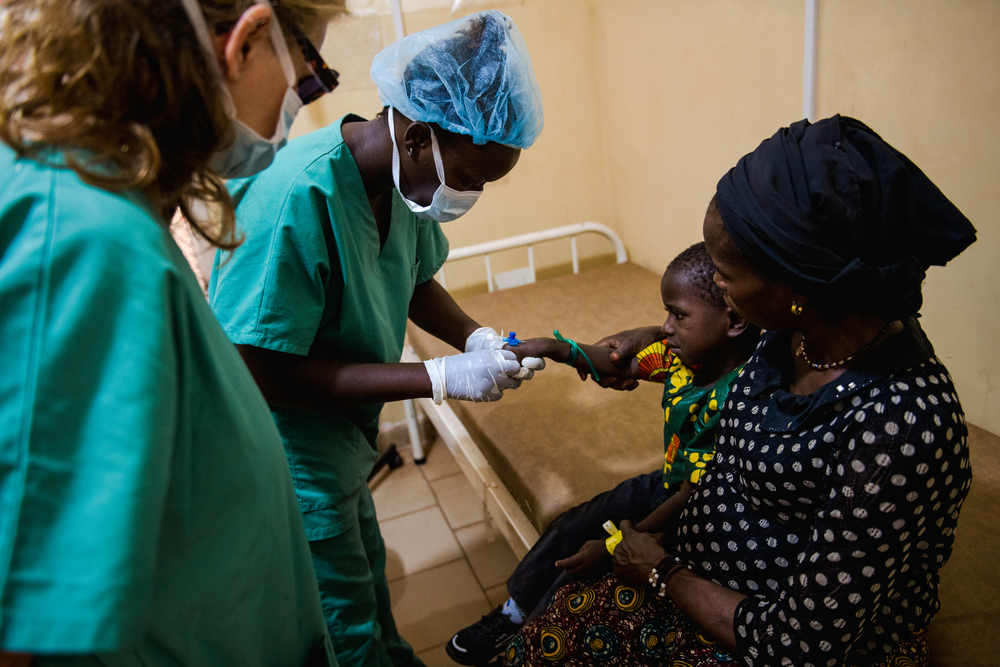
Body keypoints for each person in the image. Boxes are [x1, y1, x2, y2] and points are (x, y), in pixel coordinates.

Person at [507, 116, 977, 667]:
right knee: (552, 630)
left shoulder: (904, 426)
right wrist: (629, 543)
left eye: (726, 275)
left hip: (772, 642)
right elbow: (723, 470)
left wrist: (659, 570)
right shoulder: (782, 338)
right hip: (689, 574)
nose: (719, 287)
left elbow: (799, 645)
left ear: (796, 283)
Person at [0, 0, 346, 663]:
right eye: (307, 78)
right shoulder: (78, 239)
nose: (295, 107)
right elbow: (25, 625)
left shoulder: (100, 196)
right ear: (244, 40)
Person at [208, 10, 545, 667]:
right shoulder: (294, 196)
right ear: (419, 137)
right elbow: (260, 370)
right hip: (292, 450)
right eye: (471, 179)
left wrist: (474, 338)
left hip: (340, 439)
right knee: (344, 620)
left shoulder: (397, 182)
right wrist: (438, 378)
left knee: (365, 576)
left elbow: (415, 278)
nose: (468, 194)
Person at [446, 242, 760, 666]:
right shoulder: (682, 359)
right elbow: (615, 364)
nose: (664, 327)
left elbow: (696, 493)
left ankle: (530, 640)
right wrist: (553, 348)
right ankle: (514, 613)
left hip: (694, 505)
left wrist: (615, 545)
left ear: (735, 321)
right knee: (571, 525)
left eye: (678, 315)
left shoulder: (740, 397)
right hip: (668, 480)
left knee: (587, 568)